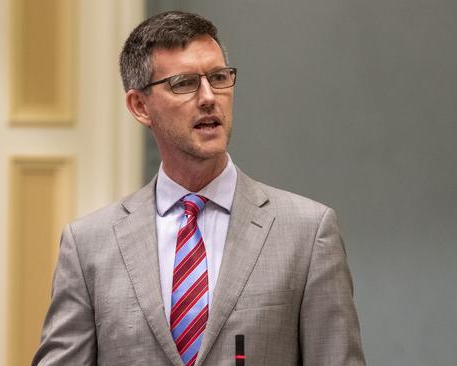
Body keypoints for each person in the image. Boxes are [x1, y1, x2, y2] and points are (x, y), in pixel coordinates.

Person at [33, 10, 365, 366]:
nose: (209, 97)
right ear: (140, 106)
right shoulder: (88, 248)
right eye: (185, 83)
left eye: (219, 77)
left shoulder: (308, 233)